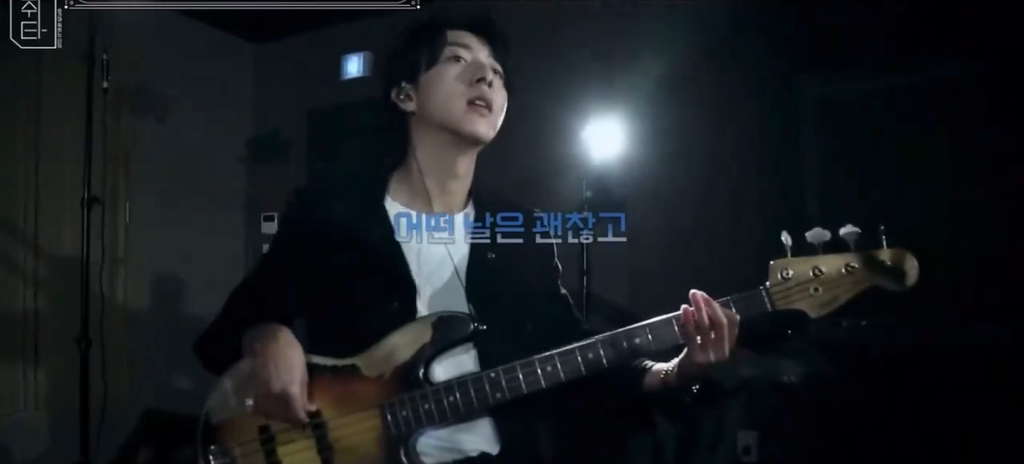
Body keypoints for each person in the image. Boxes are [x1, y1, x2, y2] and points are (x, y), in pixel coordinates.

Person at [194, 13, 740, 464]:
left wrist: (676, 370)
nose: (486, 78)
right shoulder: (333, 214)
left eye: (497, 73)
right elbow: (226, 333)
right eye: (458, 59)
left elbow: (568, 355)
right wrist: (266, 335)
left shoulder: (523, 233)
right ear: (405, 94)